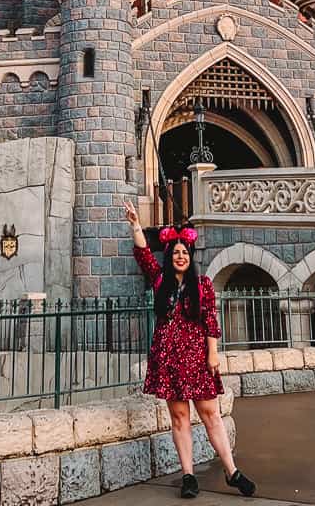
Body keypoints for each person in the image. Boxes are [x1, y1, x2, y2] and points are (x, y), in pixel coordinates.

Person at [124, 200, 256, 500]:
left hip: (196, 356)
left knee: (210, 413)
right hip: (168, 358)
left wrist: (213, 354)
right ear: (170, 256)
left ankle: (231, 470)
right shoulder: (160, 282)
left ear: (190, 257)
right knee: (180, 417)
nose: (180, 256)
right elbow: (144, 255)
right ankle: (188, 475)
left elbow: (211, 319)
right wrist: (134, 224)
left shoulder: (203, 286)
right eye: (176, 253)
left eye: (185, 253)